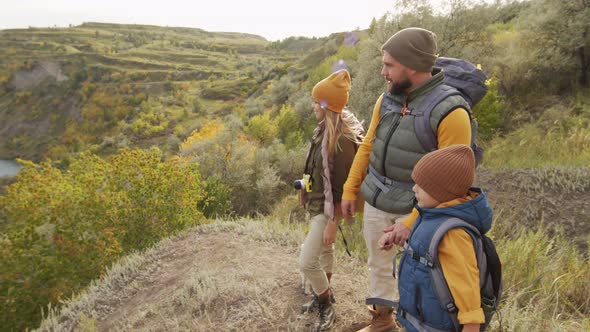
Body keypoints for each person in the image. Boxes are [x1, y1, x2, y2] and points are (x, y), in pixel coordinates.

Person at [340, 27, 473, 332]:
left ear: (411, 66)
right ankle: (382, 322)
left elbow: (453, 185)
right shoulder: (386, 99)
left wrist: (410, 222)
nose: (382, 71)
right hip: (376, 200)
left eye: (389, 65)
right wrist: (351, 189)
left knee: (421, 274)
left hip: (420, 210)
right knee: (379, 265)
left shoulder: (451, 112)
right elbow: (369, 145)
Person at [379, 144, 491, 332]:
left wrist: (471, 325)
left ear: (442, 192)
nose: (414, 189)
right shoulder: (432, 214)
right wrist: (396, 237)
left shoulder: (453, 234)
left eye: (422, 186)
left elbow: (467, 288)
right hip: (420, 321)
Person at [299, 69, 364, 331]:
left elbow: (342, 188)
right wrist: (303, 186)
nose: (313, 105)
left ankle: (326, 304)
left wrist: (332, 223)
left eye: (317, 101)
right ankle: (324, 293)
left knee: (306, 262)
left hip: (328, 210)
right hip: (317, 203)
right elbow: (313, 167)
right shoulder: (323, 130)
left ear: (326, 105)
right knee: (325, 252)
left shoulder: (342, 141)